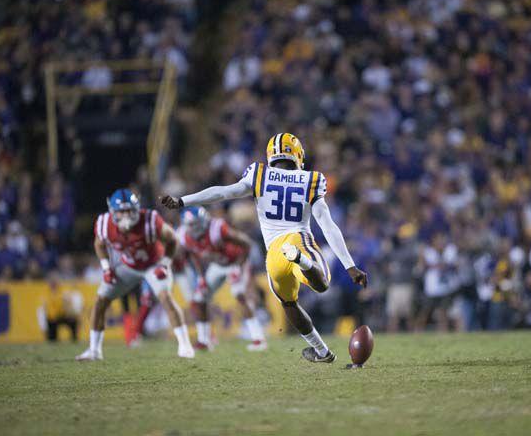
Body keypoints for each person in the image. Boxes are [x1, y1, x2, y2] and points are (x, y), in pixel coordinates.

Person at [161, 133, 367, 363]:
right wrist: (350, 266)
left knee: (289, 303)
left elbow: (223, 192)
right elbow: (328, 225)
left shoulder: (259, 174)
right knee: (322, 285)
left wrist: (183, 201)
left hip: (274, 255)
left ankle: (321, 352)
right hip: (296, 239)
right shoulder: (312, 179)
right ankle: (303, 261)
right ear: (298, 155)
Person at [76, 189, 194, 361]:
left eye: (129, 210)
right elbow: (99, 244)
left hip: (153, 264)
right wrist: (106, 267)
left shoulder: (150, 220)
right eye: (121, 211)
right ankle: (94, 350)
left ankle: (185, 346)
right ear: (113, 211)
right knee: (100, 300)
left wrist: (165, 263)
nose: (125, 215)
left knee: (165, 298)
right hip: (128, 265)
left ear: (136, 208)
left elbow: (172, 240)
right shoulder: (104, 223)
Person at [175, 206, 267, 351]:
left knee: (239, 294)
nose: (194, 228)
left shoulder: (217, 228)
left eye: (196, 223)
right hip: (217, 265)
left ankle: (258, 338)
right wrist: (201, 277)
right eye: (190, 225)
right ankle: (204, 340)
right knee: (199, 298)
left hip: (236, 262)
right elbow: (193, 255)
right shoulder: (183, 236)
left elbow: (246, 244)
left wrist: (238, 266)